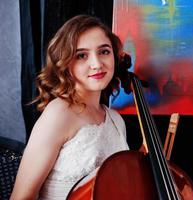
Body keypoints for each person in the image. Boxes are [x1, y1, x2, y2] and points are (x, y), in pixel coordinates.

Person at [10, 15, 129, 200]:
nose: (97, 64)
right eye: (81, 55)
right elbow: (22, 197)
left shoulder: (116, 120)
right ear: (65, 63)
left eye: (104, 52)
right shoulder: (59, 113)